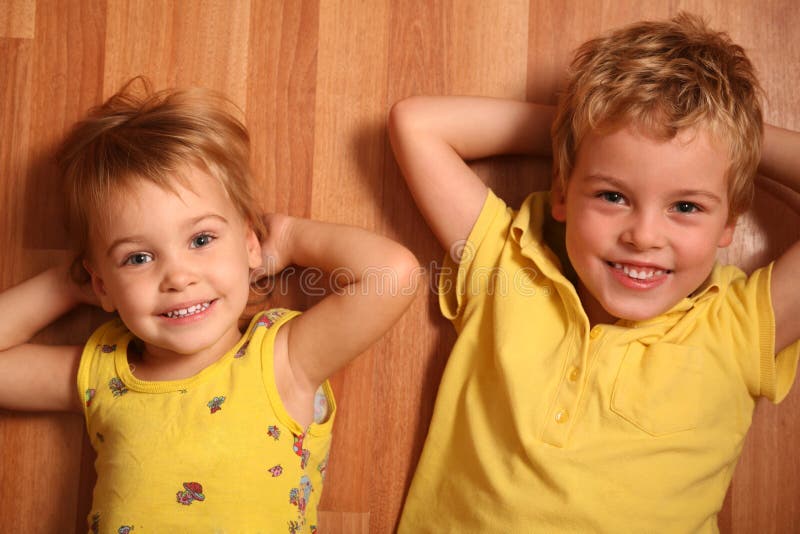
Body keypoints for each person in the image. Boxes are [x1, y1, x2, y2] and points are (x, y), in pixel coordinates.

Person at [388, 13, 800, 533]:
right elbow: (415, 125)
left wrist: (723, 145)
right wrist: (585, 132)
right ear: (563, 193)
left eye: (687, 206)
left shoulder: (739, 329)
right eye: (612, 194)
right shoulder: (507, 266)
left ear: (729, 223)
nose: (644, 235)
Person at [0, 78, 418, 533]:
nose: (178, 277)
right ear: (102, 282)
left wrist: (293, 238)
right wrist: (69, 285)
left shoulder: (282, 360)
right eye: (137, 258)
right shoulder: (105, 376)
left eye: (201, 239)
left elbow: (393, 275)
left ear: (249, 244)